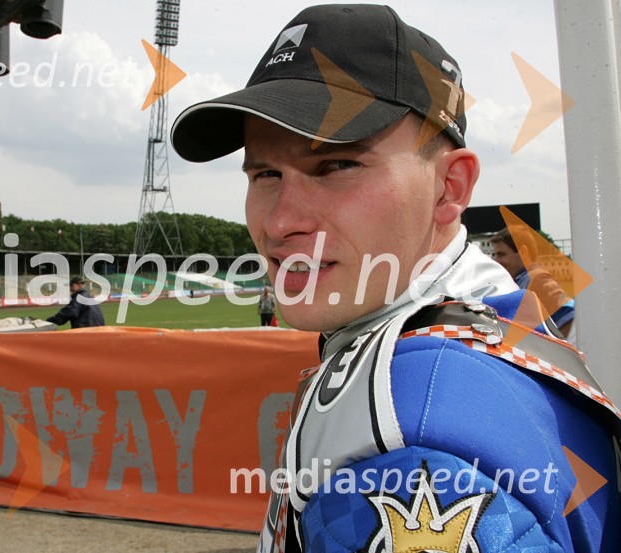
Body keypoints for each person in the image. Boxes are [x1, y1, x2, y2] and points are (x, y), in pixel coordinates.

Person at [170, 5, 619, 552]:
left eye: (337, 166)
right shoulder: (499, 314)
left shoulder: (413, 449)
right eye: (266, 174)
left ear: (450, 188)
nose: (280, 222)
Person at [491, 226, 576, 342]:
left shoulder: (537, 279)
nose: (497, 261)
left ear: (523, 253)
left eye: (502, 255)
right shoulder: (521, 279)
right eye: (495, 255)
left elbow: (569, 314)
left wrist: (556, 353)